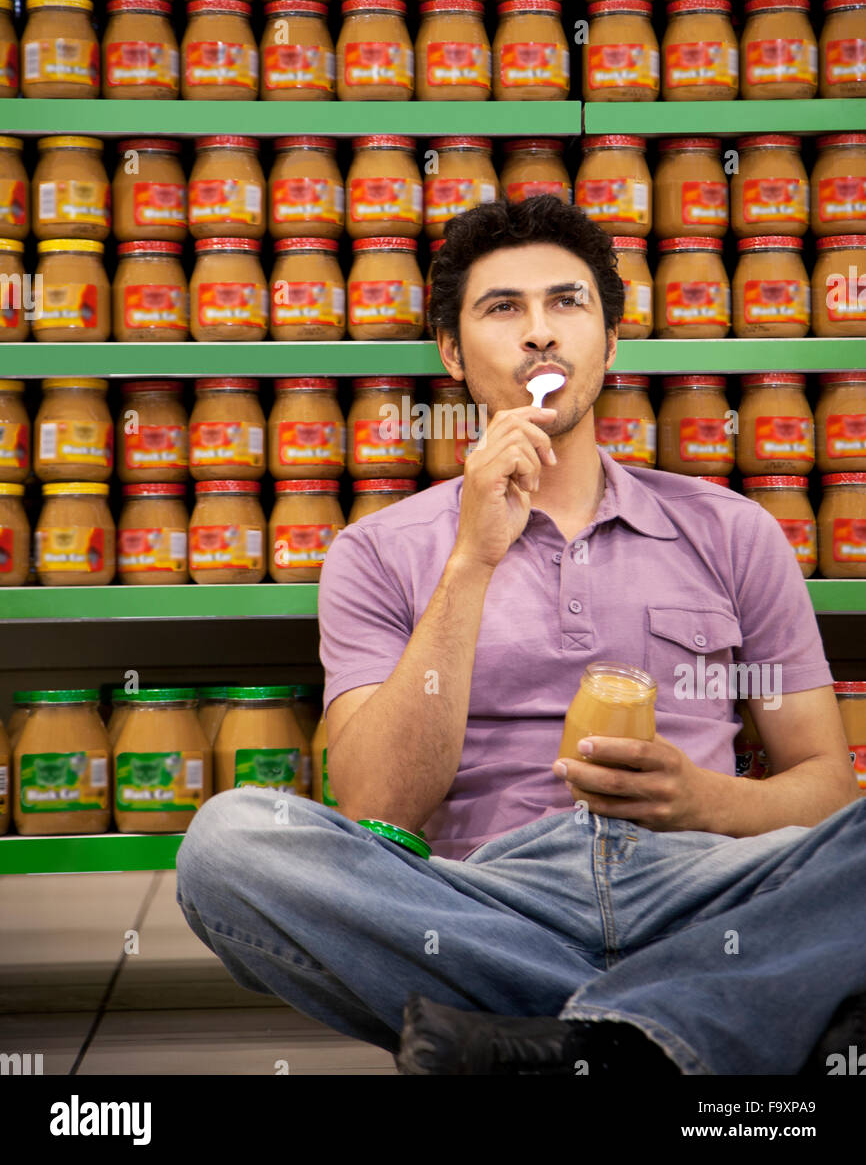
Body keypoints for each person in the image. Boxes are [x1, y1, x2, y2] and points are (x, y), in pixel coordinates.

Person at [176, 195, 866, 1076]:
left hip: (704, 887)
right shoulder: (377, 553)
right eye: (504, 309)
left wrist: (706, 803)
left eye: (567, 303)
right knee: (229, 844)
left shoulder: (733, 532)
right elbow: (376, 807)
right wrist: (471, 559)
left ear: (610, 345)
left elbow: (827, 789)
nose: (540, 333)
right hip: (488, 900)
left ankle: (541, 1039)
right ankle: (678, 1025)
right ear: (454, 356)